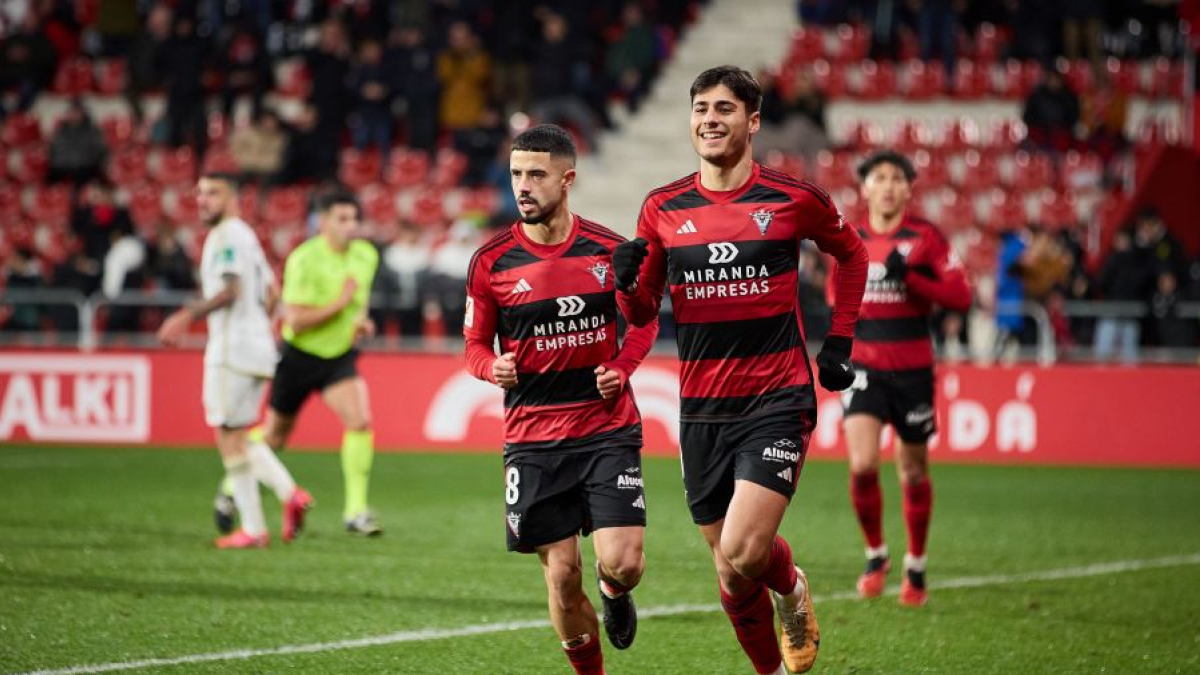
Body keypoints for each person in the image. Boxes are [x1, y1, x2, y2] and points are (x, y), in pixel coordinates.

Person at [612, 66, 869, 675]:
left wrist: (839, 341)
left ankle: (793, 588)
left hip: (776, 397)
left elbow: (853, 254)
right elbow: (644, 310)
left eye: (724, 109)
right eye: (701, 108)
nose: (710, 119)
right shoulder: (662, 209)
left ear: (752, 122)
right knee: (729, 571)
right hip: (702, 407)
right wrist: (625, 286)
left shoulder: (791, 198)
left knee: (746, 549)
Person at [464, 124, 658, 675]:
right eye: (516, 174)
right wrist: (489, 367)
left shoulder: (608, 249)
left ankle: (615, 591)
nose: (523, 186)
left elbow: (642, 321)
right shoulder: (491, 263)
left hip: (605, 427)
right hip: (533, 440)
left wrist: (621, 367)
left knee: (624, 563)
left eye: (536, 174)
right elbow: (474, 344)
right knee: (561, 576)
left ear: (567, 179)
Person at [834, 150, 971, 607]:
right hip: (864, 367)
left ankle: (915, 565)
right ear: (865, 188)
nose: (889, 185)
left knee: (912, 470)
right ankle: (876, 555)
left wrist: (910, 277)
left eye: (897, 178)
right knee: (862, 464)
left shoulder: (926, 238)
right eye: (880, 178)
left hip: (912, 371)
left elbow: (960, 296)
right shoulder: (850, 239)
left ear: (909, 189)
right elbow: (838, 295)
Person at [156, 173, 312, 549]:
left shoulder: (226, 235)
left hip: (232, 349)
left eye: (213, 193)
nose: (203, 201)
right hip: (258, 347)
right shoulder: (248, 237)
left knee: (228, 436)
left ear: (233, 198)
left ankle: (265, 517)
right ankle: (279, 505)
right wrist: (259, 324)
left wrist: (186, 315)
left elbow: (231, 290)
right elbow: (273, 293)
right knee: (238, 433)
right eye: (199, 193)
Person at [246, 189, 384, 536]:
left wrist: (360, 320)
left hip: (338, 357)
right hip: (299, 357)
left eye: (354, 219)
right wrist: (340, 304)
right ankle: (232, 488)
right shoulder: (303, 260)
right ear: (322, 222)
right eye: (342, 219)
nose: (351, 226)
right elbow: (295, 321)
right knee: (275, 437)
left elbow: (360, 302)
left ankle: (355, 511)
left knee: (360, 421)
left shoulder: (365, 255)